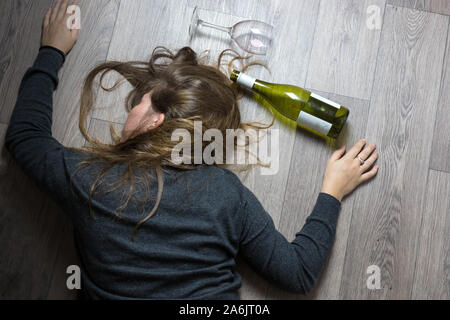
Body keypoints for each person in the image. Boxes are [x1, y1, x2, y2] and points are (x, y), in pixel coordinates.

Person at [4, 0, 379, 299]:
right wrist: (332, 190)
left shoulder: (91, 179)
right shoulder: (225, 194)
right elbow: (298, 273)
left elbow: (24, 136)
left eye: (137, 102)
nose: (129, 111)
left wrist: (51, 50)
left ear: (156, 120)